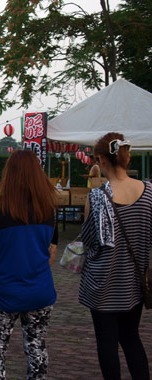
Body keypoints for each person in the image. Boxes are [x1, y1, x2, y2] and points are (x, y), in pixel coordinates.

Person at [0, 150, 57, 380]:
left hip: (6, 289)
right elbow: (51, 250)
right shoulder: (47, 210)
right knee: (37, 347)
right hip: (40, 288)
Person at [79, 133, 151, 380]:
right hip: (134, 285)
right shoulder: (149, 191)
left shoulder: (97, 197)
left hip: (103, 285)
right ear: (126, 156)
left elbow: (89, 243)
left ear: (101, 159)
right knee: (132, 339)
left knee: (107, 342)